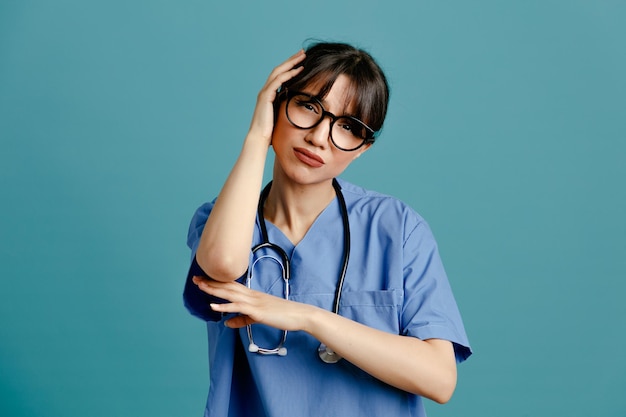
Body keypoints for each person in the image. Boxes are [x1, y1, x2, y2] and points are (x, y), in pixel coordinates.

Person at [183, 41, 472, 417]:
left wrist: (309, 317)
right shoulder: (224, 220)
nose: (319, 137)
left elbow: (439, 378)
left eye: (348, 127)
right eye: (308, 106)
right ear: (276, 105)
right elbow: (222, 262)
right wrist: (256, 137)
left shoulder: (396, 229)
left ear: (363, 147)